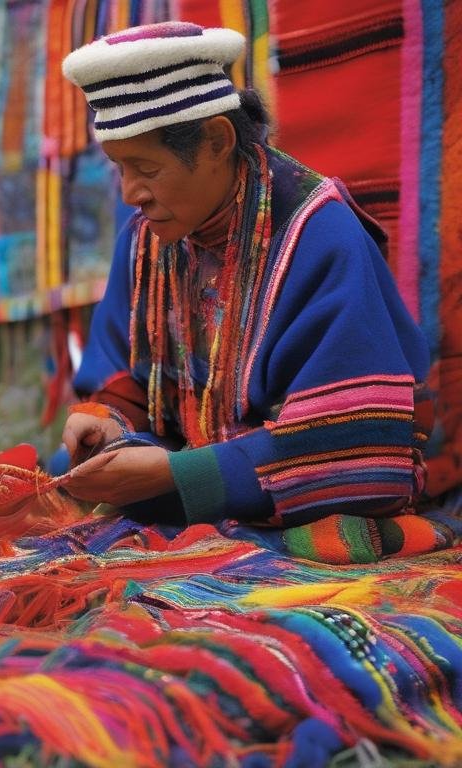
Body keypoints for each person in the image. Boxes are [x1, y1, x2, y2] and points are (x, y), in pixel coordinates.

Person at [53, 21, 436, 527]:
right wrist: (105, 421)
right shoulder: (146, 241)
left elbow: (359, 448)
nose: (130, 194)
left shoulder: (318, 236)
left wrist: (179, 474)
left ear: (216, 140)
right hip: (180, 462)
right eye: (118, 168)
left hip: (290, 485)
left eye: (146, 169)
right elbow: (123, 377)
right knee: (65, 469)